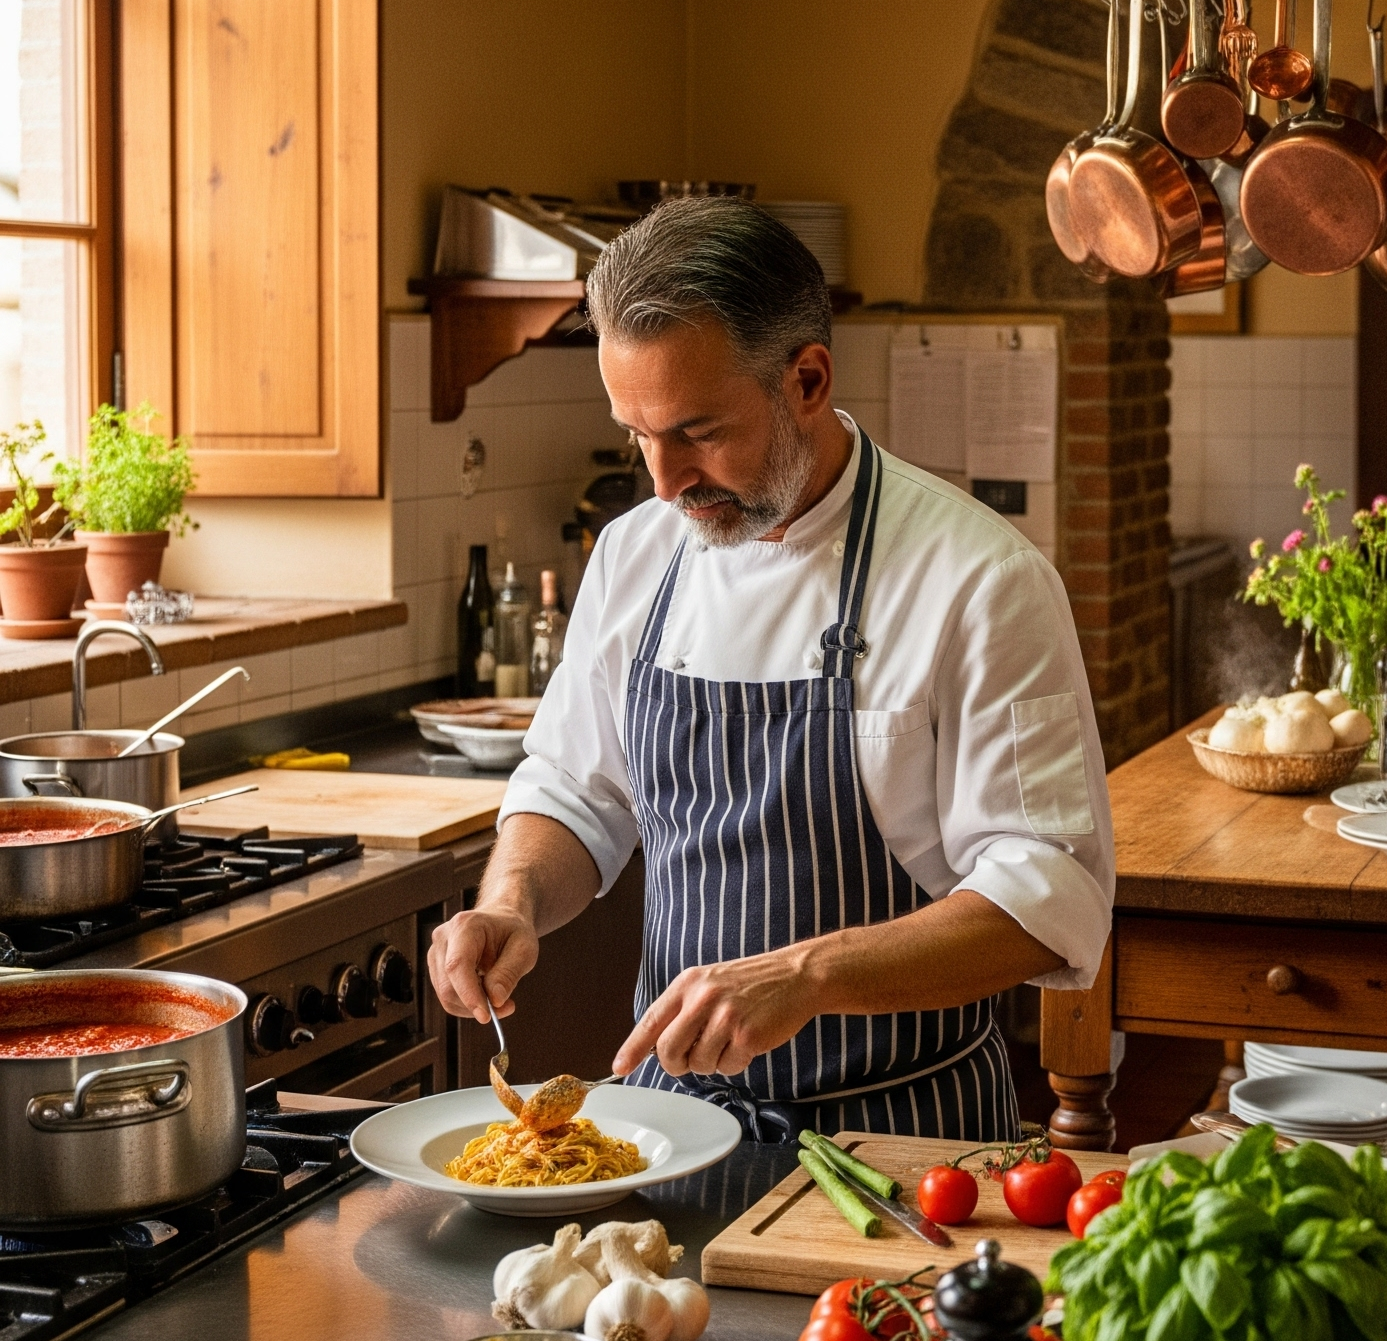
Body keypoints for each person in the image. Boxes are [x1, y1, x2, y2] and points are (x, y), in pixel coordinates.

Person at [428, 198, 1114, 1142]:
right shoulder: (638, 556)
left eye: (697, 432)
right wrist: (512, 901)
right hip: (666, 1133)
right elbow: (576, 792)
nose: (664, 481)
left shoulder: (981, 580)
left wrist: (808, 976)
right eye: (638, 435)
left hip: (905, 1134)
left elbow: (1051, 899)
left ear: (807, 379)